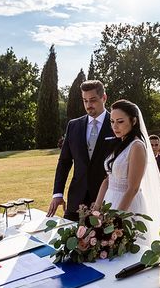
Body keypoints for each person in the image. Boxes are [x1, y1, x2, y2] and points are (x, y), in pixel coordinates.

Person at [94, 100, 160, 242]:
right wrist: (96, 209)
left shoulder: (137, 146)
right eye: (112, 121)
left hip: (127, 205)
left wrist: (116, 218)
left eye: (120, 121)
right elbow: (107, 179)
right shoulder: (118, 144)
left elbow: (133, 188)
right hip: (109, 200)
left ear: (133, 121)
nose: (115, 126)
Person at [48, 80, 115, 221]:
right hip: (76, 200)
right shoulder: (73, 125)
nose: (88, 105)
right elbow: (64, 162)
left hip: (107, 200)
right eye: (85, 101)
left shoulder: (117, 125)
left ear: (104, 98)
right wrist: (57, 193)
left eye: (93, 100)